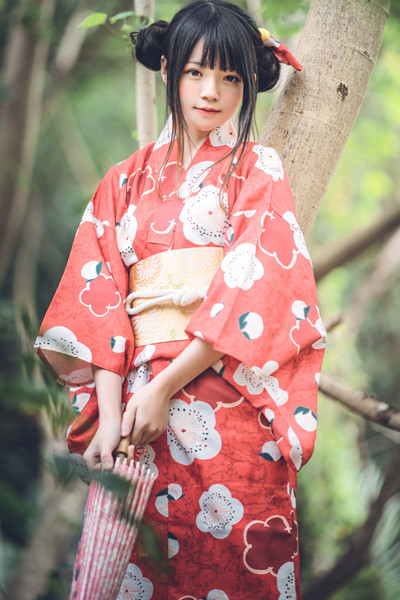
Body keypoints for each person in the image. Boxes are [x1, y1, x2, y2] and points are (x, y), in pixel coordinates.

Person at [35, 1, 326, 598]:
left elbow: (254, 284)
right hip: (136, 415)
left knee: (233, 569)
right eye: (195, 72)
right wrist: (114, 418)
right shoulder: (123, 180)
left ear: (248, 84)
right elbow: (101, 297)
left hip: (228, 406)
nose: (211, 91)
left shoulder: (256, 169)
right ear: (167, 70)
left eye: (230, 77)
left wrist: (165, 387)